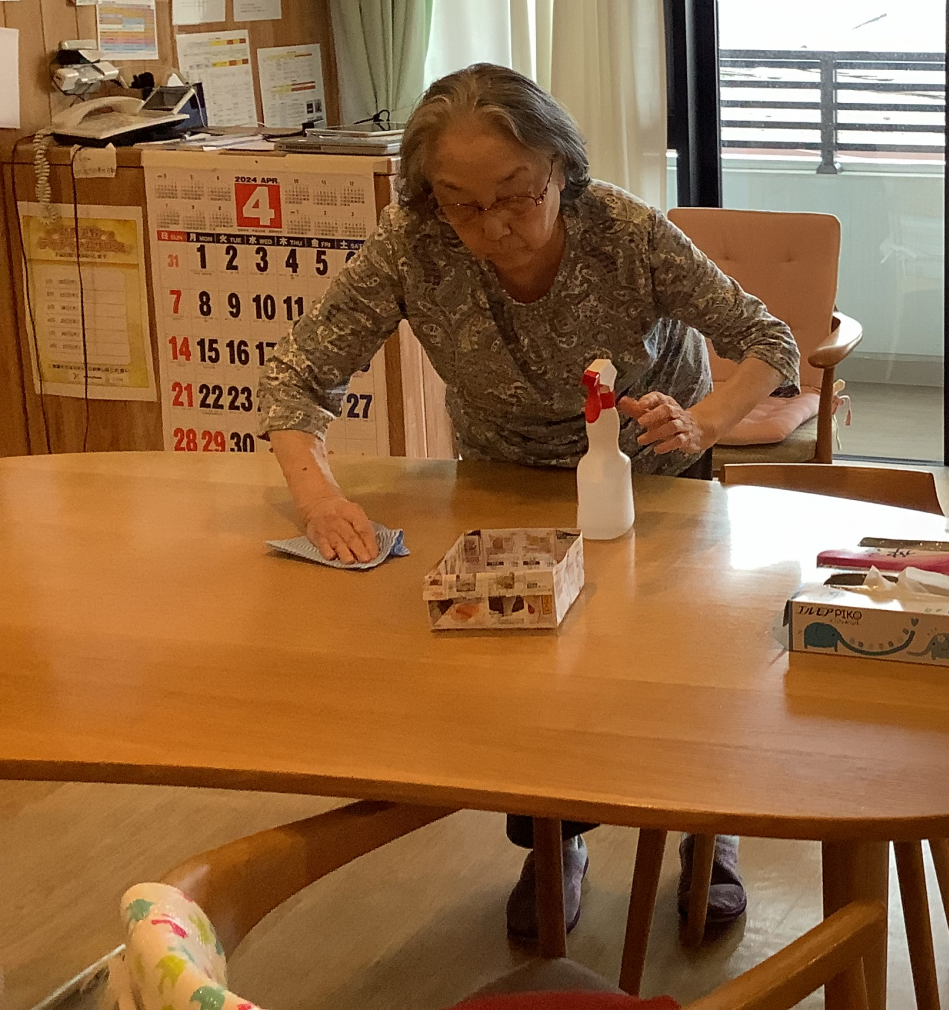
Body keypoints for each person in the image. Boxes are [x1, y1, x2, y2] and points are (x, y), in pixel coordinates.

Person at [259, 63, 797, 938]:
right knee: (533, 678)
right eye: (462, 204)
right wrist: (319, 498)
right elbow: (297, 378)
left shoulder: (624, 231)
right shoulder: (412, 243)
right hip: (507, 475)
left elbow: (768, 340)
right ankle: (555, 840)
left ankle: (708, 829)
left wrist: (701, 423)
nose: (493, 226)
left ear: (561, 168)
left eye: (517, 195)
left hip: (651, 475)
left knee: (674, 670)